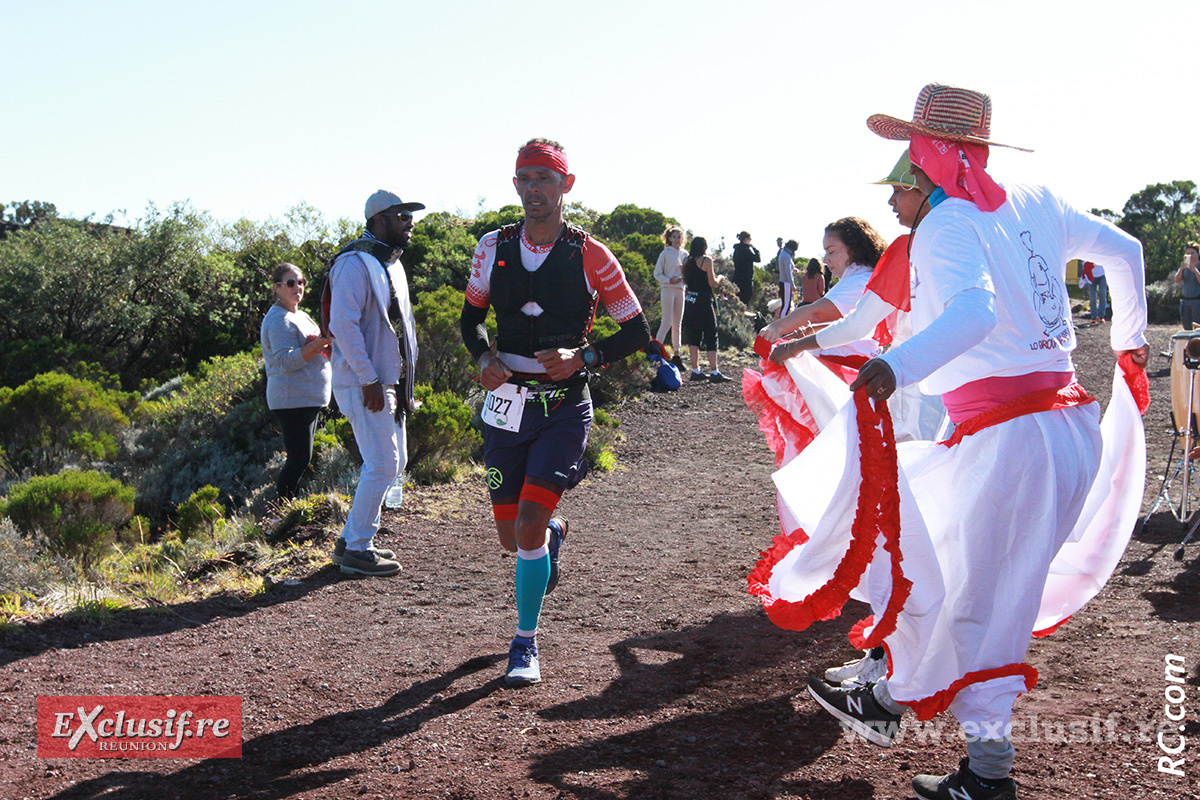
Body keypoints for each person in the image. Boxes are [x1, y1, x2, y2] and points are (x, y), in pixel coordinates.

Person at [755, 83, 1148, 800]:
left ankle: (972, 763)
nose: (901, 175)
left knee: (972, 593)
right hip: (1063, 426)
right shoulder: (1036, 200)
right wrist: (1131, 344)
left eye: (910, 155)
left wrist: (892, 367)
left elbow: (972, 313)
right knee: (946, 561)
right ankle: (893, 690)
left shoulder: (946, 226)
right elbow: (1127, 251)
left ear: (932, 153)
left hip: (1011, 438)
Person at [459, 138, 650, 687]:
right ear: (514, 184)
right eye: (526, 178)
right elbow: (470, 320)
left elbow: (635, 331)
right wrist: (483, 357)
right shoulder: (490, 247)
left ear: (567, 186)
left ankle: (525, 642)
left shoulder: (592, 255)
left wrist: (584, 356)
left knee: (527, 523)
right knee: (510, 535)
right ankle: (552, 536)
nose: (535, 188)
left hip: (564, 406)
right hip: (506, 406)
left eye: (546, 178)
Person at [323, 189, 425, 577]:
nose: (410, 223)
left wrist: (399, 385)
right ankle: (358, 547)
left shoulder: (389, 263)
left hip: (383, 383)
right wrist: (369, 379)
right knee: (383, 463)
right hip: (362, 383)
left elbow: (396, 328)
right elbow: (343, 327)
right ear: (378, 220)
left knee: (389, 462)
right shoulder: (353, 264)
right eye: (401, 216)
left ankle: (351, 540)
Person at [260, 263, 331, 501]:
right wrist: (317, 344)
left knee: (302, 458)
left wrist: (322, 345)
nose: (297, 287)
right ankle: (282, 511)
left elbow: (312, 346)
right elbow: (284, 361)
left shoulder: (299, 315)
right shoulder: (279, 319)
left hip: (307, 399)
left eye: (301, 282)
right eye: (291, 283)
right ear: (277, 288)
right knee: (299, 459)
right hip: (292, 400)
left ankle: (287, 509)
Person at [680, 237, 731, 383]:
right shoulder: (706, 261)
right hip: (703, 300)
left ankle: (695, 370)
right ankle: (714, 371)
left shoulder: (687, 261)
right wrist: (720, 278)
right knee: (711, 334)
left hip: (690, 300)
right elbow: (711, 282)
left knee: (694, 336)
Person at [653, 225, 687, 365]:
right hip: (667, 289)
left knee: (677, 323)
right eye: (674, 237)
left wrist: (684, 274)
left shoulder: (685, 254)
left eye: (679, 237)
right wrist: (669, 280)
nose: (677, 240)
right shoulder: (665, 253)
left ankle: (677, 355)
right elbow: (657, 273)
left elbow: (689, 274)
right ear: (669, 238)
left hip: (680, 289)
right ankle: (654, 350)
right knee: (666, 322)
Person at [730, 230, 762, 305]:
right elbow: (757, 259)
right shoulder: (745, 250)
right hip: (746, 279)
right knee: (745, 299)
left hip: (737, 277)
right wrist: (754, 249)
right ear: (746, 239)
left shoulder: (737, 250)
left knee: (737, 299)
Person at [1174, 241, 1200, 329]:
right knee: (1186, 329)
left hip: (1197, 301)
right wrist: (1181, 269)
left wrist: (1195, 271)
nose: (1191, 256)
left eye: (1192, 253)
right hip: (1185, 301)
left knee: (1198, 329)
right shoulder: (1185, 267)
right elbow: (1177, 280)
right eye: (1188, 253)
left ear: (1197, 254)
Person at [774, 240, 798, 319]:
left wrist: (793, 268)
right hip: (786, 283)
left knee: (785, 304)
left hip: (783, 282)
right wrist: (792, 284)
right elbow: (788, 273)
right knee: (786, 305)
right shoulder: (787, 256)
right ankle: (782, 322)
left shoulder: (783, 253)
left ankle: (782, 321)